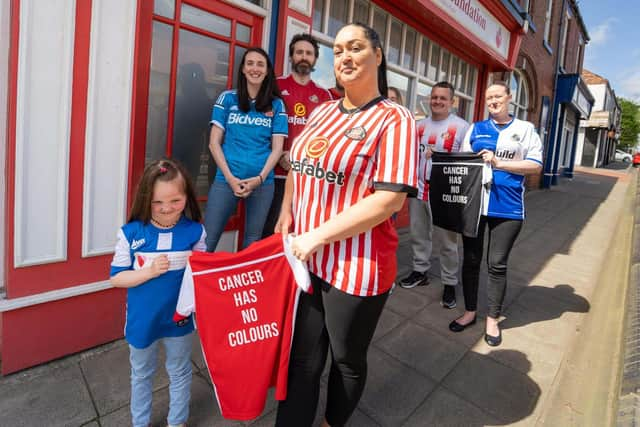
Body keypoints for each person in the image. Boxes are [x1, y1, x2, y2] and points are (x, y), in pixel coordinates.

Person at [274, 23, 418, 427]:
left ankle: (331, 422)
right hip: (308, 260)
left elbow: (389, 199)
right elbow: (298, 167)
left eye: (355, 47)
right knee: (302, 358)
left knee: (345, 359)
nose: (345, 57)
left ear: (378, 55)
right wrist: (287, 212)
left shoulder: (394, 119)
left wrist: (316, 235)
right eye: (338, 51)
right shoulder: (321, 112)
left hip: (357, 267)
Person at [110, 159, 206, 427]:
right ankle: (139, 423)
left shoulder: (195, 231)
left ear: (187, 196)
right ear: (145, 199)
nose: (166, 209)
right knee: (141, 374)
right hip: (143, 320)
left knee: (180, 371)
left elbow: (203, 272)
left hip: (179, 319)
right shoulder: (130, 233)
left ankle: (177, 422)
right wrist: (148, 272)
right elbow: (116, 278)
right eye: (157, 202)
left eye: (175, 200)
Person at [448, 81, 542, 346]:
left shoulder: (525, 129)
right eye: (489, 97)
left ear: (509, 97)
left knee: (497, 265)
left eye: (498, 96)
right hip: (475, 207)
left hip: (508, 208)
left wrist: (501, 163)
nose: (493, 100)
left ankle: (492, 319)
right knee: (471, 260)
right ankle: (469, 312)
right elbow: (462, 165)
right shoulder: (475, 129)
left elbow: (535, 166)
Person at [204, 47, 287, 251]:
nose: (255, 69)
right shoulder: (227, 98)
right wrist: (231, 179)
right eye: (250, 63)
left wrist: (259, 179)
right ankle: (195, 283)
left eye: (260, 64)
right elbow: (214, 143)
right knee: (208, 239)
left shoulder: (277, 105)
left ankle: (241, 283)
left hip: (262, 183)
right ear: (242, 69)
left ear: (267, 71)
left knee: (252, 241)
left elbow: (277, 149)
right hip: (226, 180)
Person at [399, 82, 470, 310]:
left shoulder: (461, 127)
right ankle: (420, 271)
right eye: (434, 97)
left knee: (448, 242)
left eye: (443, 98)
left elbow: (465, 163)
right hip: (419, 189)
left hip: (445, 194)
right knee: (419, 234)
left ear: (452, 102)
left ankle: (450, 282)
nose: (437, 101)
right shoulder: (418, 126)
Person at [262, 34, 333, 238]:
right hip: (273, 174)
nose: (304, 56)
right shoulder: (275, 85)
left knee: (299, 231)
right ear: (291, 56)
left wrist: (297, 158)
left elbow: (324, 137)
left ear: (315, 59)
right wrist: (278, 154)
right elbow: (262, 126)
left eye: (309, 53)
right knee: (270, 231)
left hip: (306, 176)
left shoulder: (324, 95)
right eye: (299, 52)